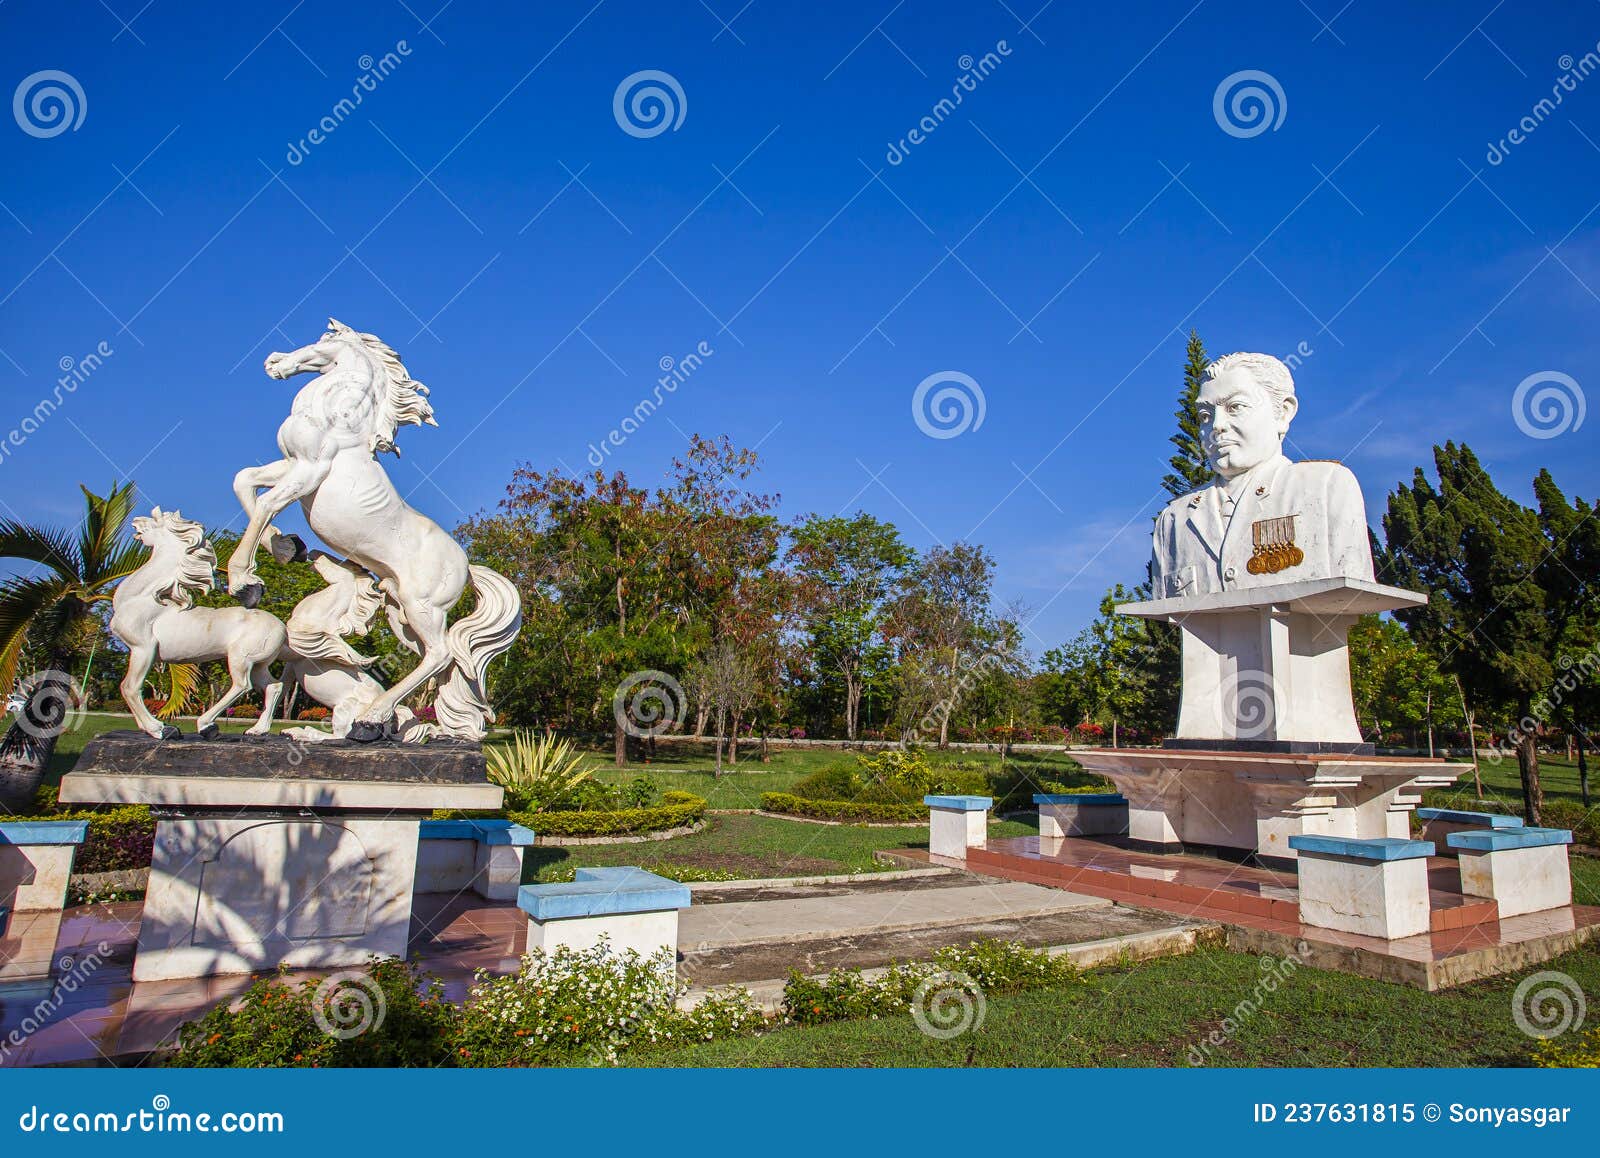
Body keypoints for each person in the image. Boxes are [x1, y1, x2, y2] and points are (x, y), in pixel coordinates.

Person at [1149, 352, 1374, 598]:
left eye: (1235, 407)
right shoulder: (1173, 520)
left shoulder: (1326, 487)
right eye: (1205, 415)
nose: (1216, 425)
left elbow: (1351, 594)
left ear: (1283, 413)